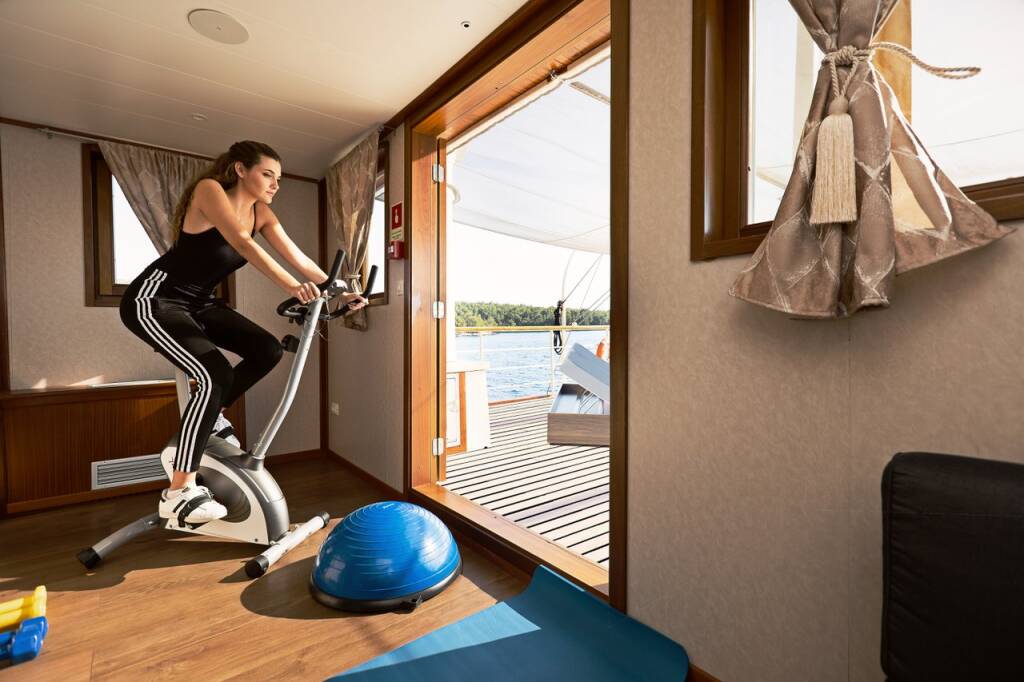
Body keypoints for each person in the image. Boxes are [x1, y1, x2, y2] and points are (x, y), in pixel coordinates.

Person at [119, 141, 367, 524]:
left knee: (266, 349)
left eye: (278, 178)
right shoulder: (210, 190)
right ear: (240, 169)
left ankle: (213, 410)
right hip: (155, 300)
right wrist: (292, 286)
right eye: (267, 174)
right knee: (214, 374)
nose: (275, 184)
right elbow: (242, 243)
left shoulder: (261, 212)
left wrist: (340, 291)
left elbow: (298, 257)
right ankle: (178, 491)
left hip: (200, 304)